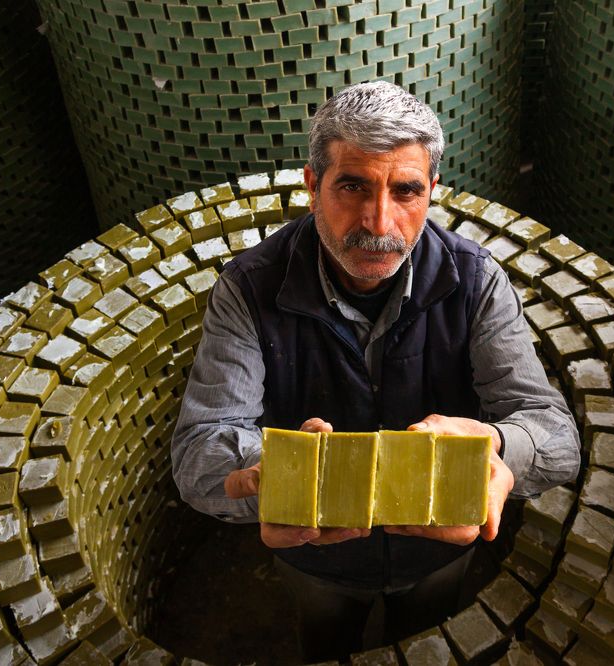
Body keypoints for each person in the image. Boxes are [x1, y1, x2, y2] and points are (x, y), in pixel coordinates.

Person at [171, 81, 579, 661]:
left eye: (406, 190)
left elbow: (556, 436)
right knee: (325, 643)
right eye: (352, 186)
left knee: (426, 642)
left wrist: (494, 445)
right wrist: (267, 477)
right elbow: (198, 451)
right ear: (313, 186)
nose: (379, 221)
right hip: (316, 560)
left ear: (433, 191)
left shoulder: (477, 282)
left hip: (438, 554)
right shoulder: (247, 289)